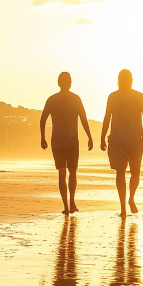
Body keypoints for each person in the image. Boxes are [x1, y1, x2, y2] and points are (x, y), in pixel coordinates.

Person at [100, 69, 143, 218]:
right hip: (132, 139)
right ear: (131, 80)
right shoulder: (138, 97)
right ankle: (129, 200)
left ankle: (124, 207)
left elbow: (107, 118)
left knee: (121, 173)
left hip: (120, 139)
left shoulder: (114, 97)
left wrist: (102, 137)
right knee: (134, 172)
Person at [40, 72, 93, 214]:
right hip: (72, 142)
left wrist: (42, 137)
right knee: (73, 173)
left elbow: (43, 118)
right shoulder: (76, 99)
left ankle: (66, 206)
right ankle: (72, 202)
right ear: (70, 83)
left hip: (57, 142)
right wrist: (90, 137)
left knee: (62, 174)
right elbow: (83, 119)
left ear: (59, 83)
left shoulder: (52, 99)